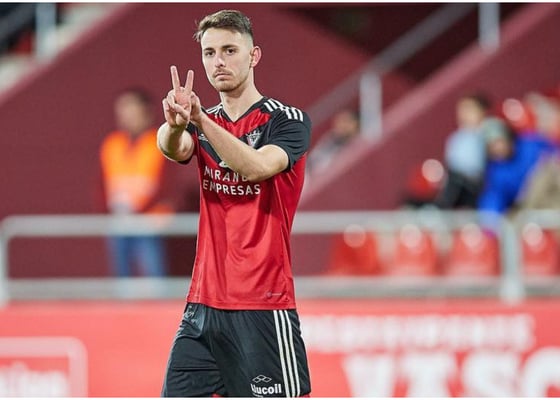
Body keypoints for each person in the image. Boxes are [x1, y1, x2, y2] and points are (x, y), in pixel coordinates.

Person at [156, 10, 311, 397]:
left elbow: (256, 167)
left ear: (254, 56)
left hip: (263, 305)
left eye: (229, 50)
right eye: (209, 53)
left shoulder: (287, 121)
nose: (218, 62)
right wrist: (174, 126)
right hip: (202, 306)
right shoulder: (201, 122)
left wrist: (200, 122)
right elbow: (173, 147)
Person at [99, 88, 172, 277]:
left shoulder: (160, 141)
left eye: (132, 109)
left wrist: (138, 211)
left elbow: (166, 186)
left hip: (150, 223)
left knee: (154, 276)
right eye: (123, 110)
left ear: (146, 111)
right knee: (121, 279)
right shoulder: (112, 144)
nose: (127, 116)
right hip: (119, 222)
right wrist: (108, 212)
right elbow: (102, 184)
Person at [435, 93, 490, 209]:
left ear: (482, 111)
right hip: (455, 185)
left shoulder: (487, 134)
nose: (464, 114)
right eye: (461, 110)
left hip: (478, 186)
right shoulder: (456, 138)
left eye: (469, 109)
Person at [306, 108, 359, 174]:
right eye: (342, 121)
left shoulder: (354, 146)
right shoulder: (330, 137)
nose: (342, 125)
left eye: (347, 123)